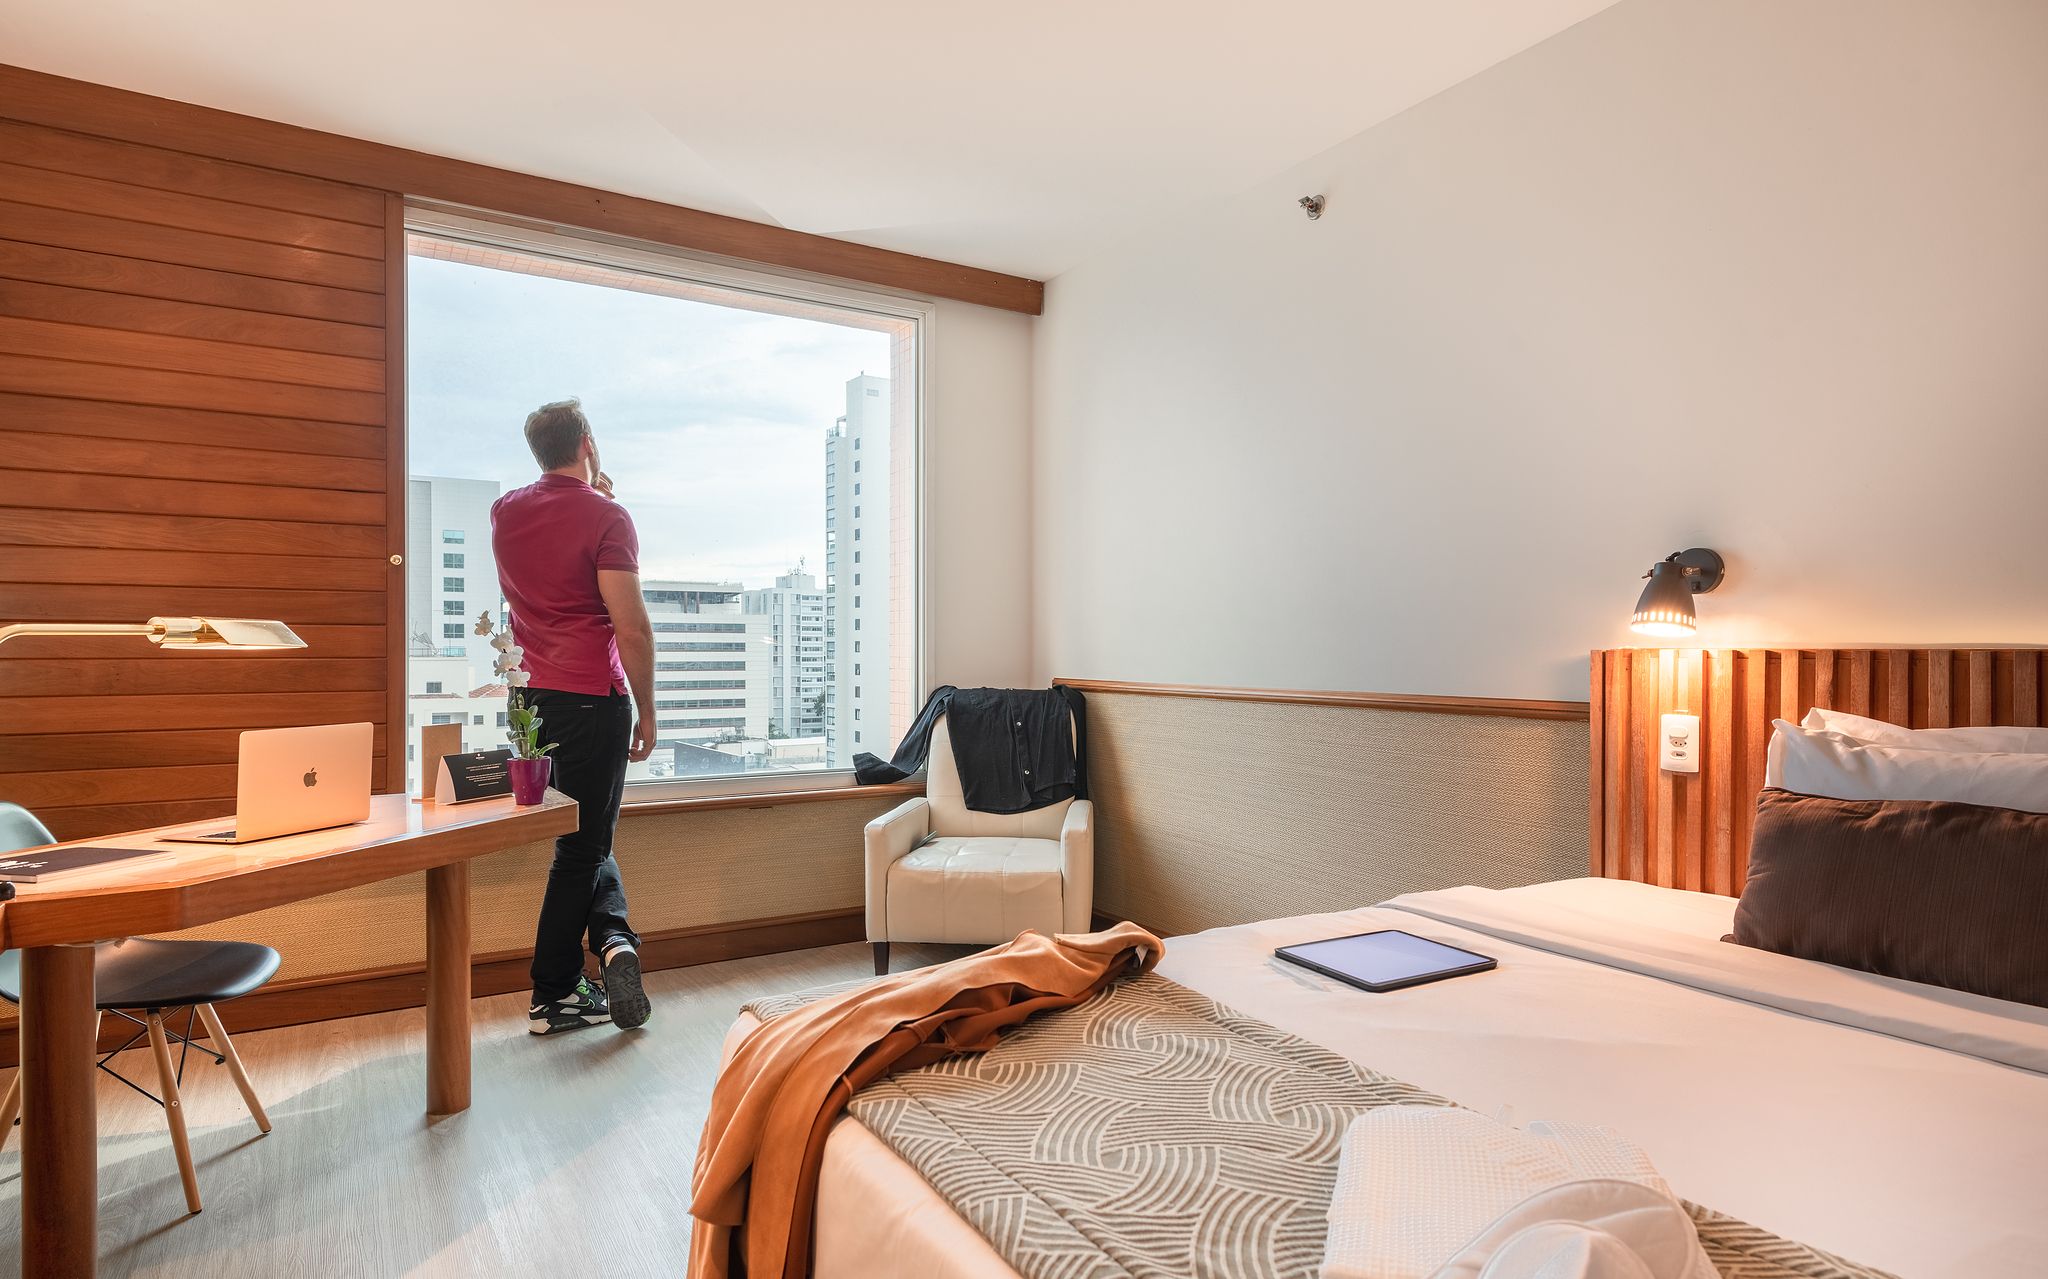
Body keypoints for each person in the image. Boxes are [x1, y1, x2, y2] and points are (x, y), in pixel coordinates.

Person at [491, 398, 657, 1034]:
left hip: (531, 702)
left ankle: (613, 949)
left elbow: (548, 544)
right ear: (588, 440)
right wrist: (648, 710)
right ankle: (554, 993)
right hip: (592, 697)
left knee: (583, 841)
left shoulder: (506, 510)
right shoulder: (607, 517)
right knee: (583, 850)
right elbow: (632, 628)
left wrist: (589, 490)